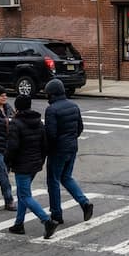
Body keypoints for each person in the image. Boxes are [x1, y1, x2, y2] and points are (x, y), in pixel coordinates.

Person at [5, 95, 58, 239]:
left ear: (17, 108)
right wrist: (40, 161)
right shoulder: (38, 122)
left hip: (22, 165)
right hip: (35, 163)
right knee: (23, 194)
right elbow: (44, 145)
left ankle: (47, 221)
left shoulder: (16, 123)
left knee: (24, 195)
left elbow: (12, 147)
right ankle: (19, 224)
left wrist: (7, 162)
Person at [44, 78, 94, 223]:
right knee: (66, 177)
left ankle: (56, 214)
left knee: (53, 181)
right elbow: (80, 128)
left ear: (52, 94)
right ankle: (84, 203)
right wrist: (71, 139)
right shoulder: (73, 106)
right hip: (72, 147)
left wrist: (47, 149)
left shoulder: (51, 110)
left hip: (58, 150)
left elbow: (51, 134)